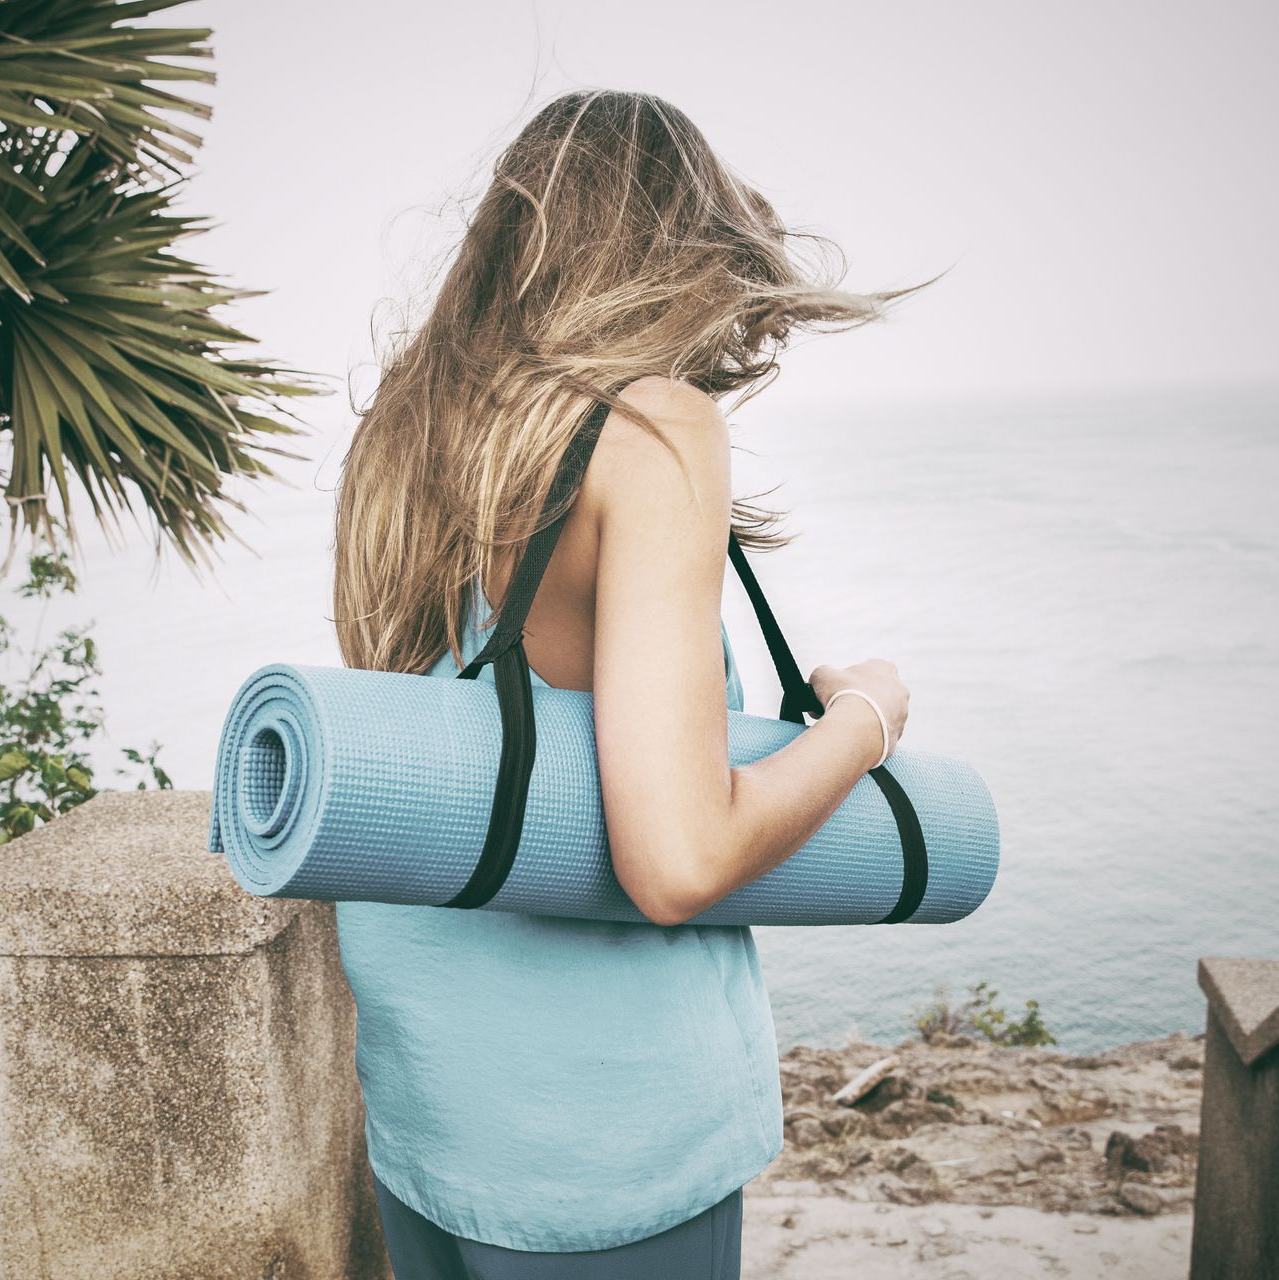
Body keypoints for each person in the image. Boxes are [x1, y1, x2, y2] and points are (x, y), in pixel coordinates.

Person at [330, 88, 915, 1280]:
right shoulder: (651, 429)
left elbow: (411, 720)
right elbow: (678, 858)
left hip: (432, 1110)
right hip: (605, 1135)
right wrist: (865, 719)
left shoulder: (405, 425)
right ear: (678, 248)